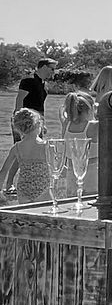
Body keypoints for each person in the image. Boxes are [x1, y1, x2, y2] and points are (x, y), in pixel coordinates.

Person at [4, 57, 57, 194]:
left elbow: (40, 106)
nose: (53, 72)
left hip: (36, 122)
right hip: (25, 121)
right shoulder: (28, 81)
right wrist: (19, 122)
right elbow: (20, 99)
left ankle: (30, 183)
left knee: (33, 153)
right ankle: (9, 184)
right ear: (43, 67)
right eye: (51, 68)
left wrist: (42, 123)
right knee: (19, 152)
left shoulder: (43, 84)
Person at [0, 108, 51, 204]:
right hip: (44, 188)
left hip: (23, 190)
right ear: (38, 125)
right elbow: (57, 168)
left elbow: (4, 171)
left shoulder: (17, 147)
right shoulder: (46, 146)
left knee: (25, 215)